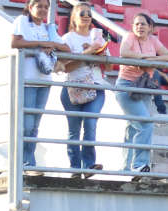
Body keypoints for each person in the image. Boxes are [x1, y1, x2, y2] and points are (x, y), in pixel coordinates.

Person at [10, 0, 70, 170]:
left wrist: (52, 44)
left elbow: (67, 49)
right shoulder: (22, 21)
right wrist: (39, 44)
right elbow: (15, 43)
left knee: (35, 125)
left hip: (44, 80)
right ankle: (24, 163)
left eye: (46, 7)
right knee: (27, 124)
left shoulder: (48, 28)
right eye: (39, 6)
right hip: (27, 80)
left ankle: (29, 163)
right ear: (30, 7)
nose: (43, 9)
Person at [117, 13, 168, 175]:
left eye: (143, 24)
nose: (139, 27)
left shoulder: (153, 40)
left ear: (150, 27)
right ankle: (139, 165)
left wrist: (148, 59)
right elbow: (124, 52)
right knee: (145, 124)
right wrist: (145, 58)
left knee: (132, 127)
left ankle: (126, 168)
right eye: (136, 24)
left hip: (143, 87)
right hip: (127, 86)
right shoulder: (129, 37)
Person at [58, 3, 108, 173]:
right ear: (74, 17)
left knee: (90, 123)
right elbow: (65, 67)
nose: (86, 16)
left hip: (96, 86)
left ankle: (88, 165)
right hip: (73, 87)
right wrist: (88, 53)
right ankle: (75, 168)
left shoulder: (98, 37)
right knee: (74, 130)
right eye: (82, 13)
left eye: (89, 13)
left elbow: (109, 67)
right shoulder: (67, 38)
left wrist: (100, 54)